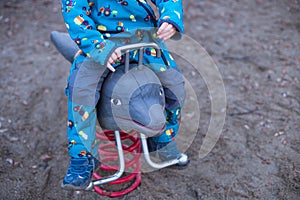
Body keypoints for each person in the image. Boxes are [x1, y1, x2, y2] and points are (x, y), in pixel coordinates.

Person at [60, 0, 188, 190]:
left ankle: (163, 141)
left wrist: (170, 18)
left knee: (176, 87)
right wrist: (95, 44)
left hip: (144, 38)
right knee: (81, 91)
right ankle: (82, 158)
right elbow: (74, 10)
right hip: (102, 42)